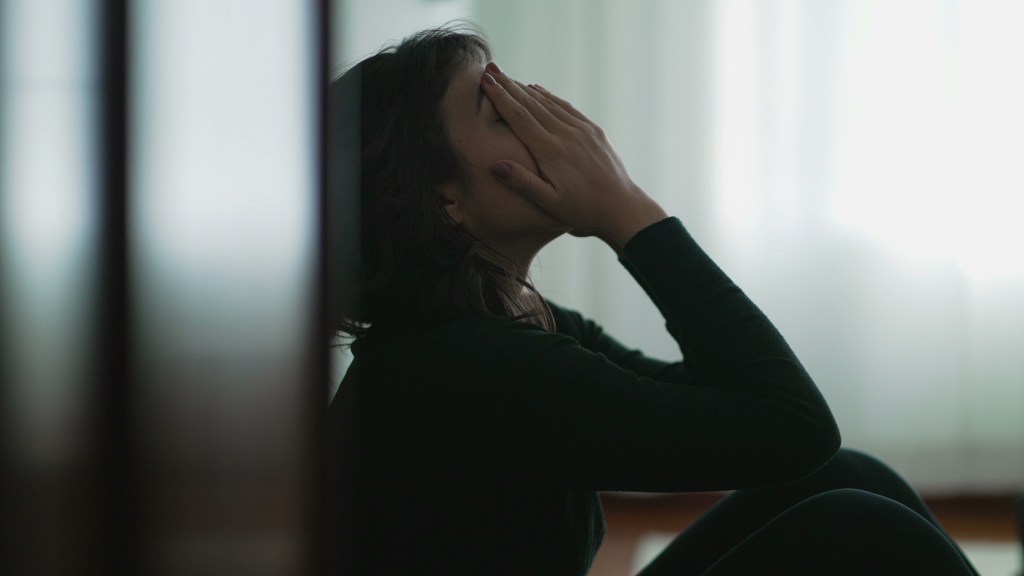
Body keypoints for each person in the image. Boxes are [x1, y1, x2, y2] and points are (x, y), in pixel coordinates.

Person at [326, 26, 979, 575]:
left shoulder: (504, 325)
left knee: (848, 477)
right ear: (446, 201)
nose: (550, 121)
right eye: (502, 111)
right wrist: (628, 215)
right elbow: (792, 425)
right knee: (857, 524)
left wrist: (629, 213)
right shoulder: (475, 369)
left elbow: (740, 411)